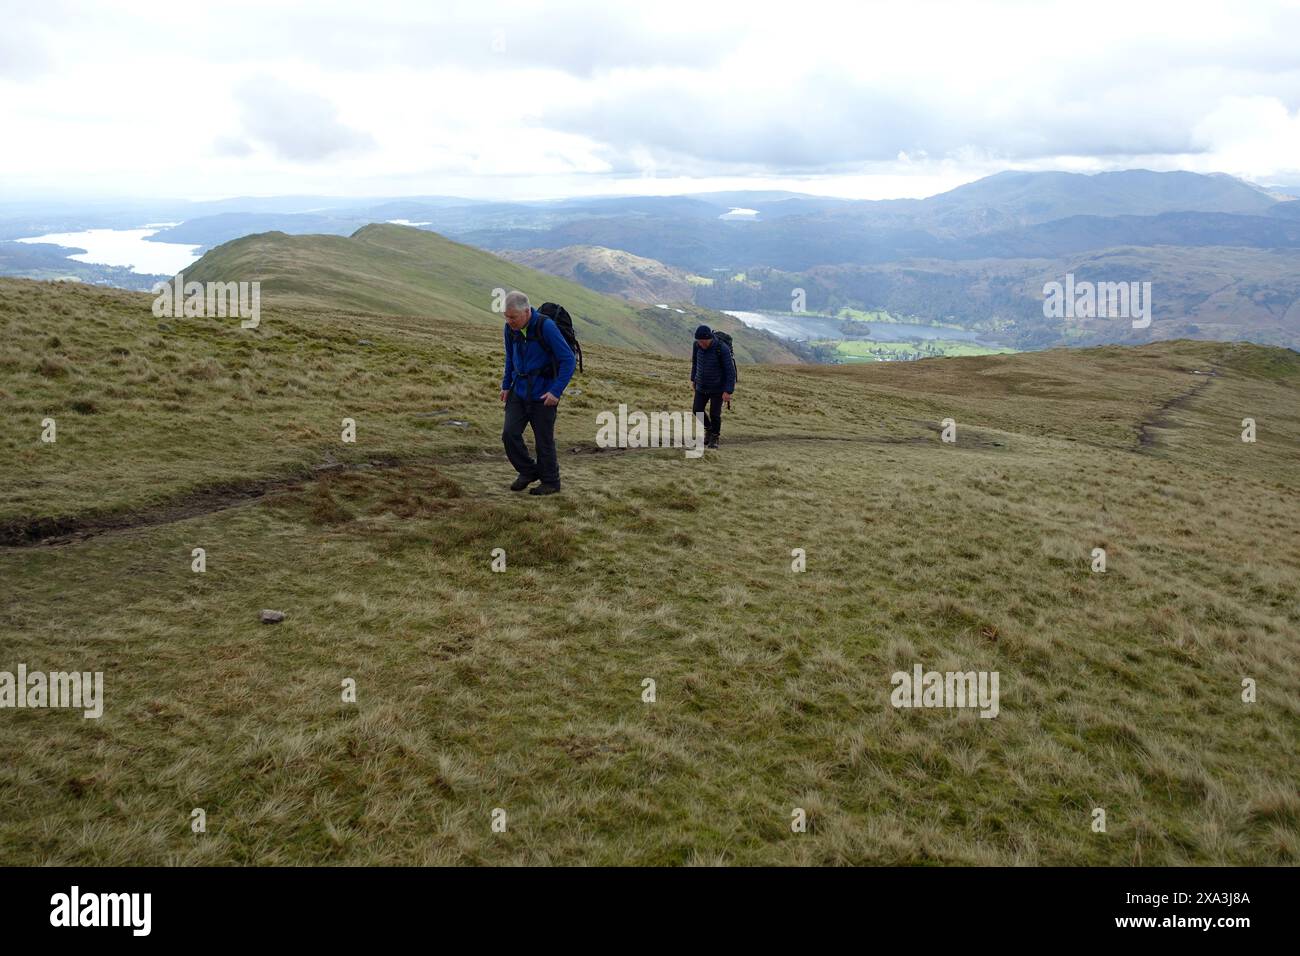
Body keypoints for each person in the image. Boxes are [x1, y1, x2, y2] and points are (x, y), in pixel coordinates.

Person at [500, 291, 576, 495]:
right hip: (519, 389)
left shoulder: (546, 327)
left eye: (512, 317)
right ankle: (528, 471)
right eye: (506, 317)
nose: (509, 321)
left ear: (526, 312)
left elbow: (569, 360)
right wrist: (506, 385)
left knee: (543, 440)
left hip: (544, 393)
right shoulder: (510, 329)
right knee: (509, 434)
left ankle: (551, 482)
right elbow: (510, 357)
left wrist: (556, 391)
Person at [689, 325, 735, 449]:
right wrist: (693, 379)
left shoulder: (722, 348)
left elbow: (730, 371)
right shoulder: (696, 345)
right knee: (697, 410)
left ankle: (714, 437)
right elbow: (695, 362)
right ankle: (708, 429)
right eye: (698, 341)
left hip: (717, 388)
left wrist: (728, 391)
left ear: (708, 338)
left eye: (702, 341)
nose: (700, 344)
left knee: (715, 414)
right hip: (701, 385)